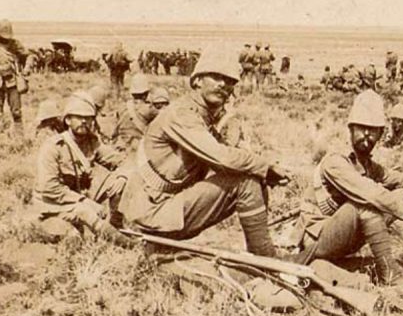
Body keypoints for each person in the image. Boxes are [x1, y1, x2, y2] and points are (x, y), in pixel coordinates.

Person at [117, 52, 292, 257]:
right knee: (246, 180)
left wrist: (262, 171)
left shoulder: (202, 117)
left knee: (252, 174)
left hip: (159, 210)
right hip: (150, 216)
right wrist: (265, 166)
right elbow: (222, 157)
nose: (223, 85)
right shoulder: (182, 114)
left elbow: (227, 160)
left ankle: (262, 251)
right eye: (217, 77)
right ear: (197, 80)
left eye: (230, 82)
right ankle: (267, 260)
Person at [294, 90, 403, 285]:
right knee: (367, 204)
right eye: (361, 128)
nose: (366, 134)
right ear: (351, 129)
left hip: (345, 237)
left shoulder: (369, 166)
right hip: (318, 239)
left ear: (381, 134)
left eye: (373, 130)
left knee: (400, 194)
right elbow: (370, 193)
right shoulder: (335, 162)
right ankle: (390, 277)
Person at [34, 95, 128, 245]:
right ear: (68, 120)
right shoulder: (53, 147)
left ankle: (116, 226)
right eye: (78, 117)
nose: (84, 121)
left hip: (79, 197)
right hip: (53, 204)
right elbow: (49, 188)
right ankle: (127, 245)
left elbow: (121, 160)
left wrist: (122, 177)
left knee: (121, 182)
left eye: (88, 118)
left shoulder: (91, 142)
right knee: (79, 226)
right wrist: (85, 202)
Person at [112, 74, 154, 153]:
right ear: (146, 94)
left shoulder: (121, 107)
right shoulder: (149, 109)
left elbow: (115, 131)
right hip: (140, 149)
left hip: (122, 147)